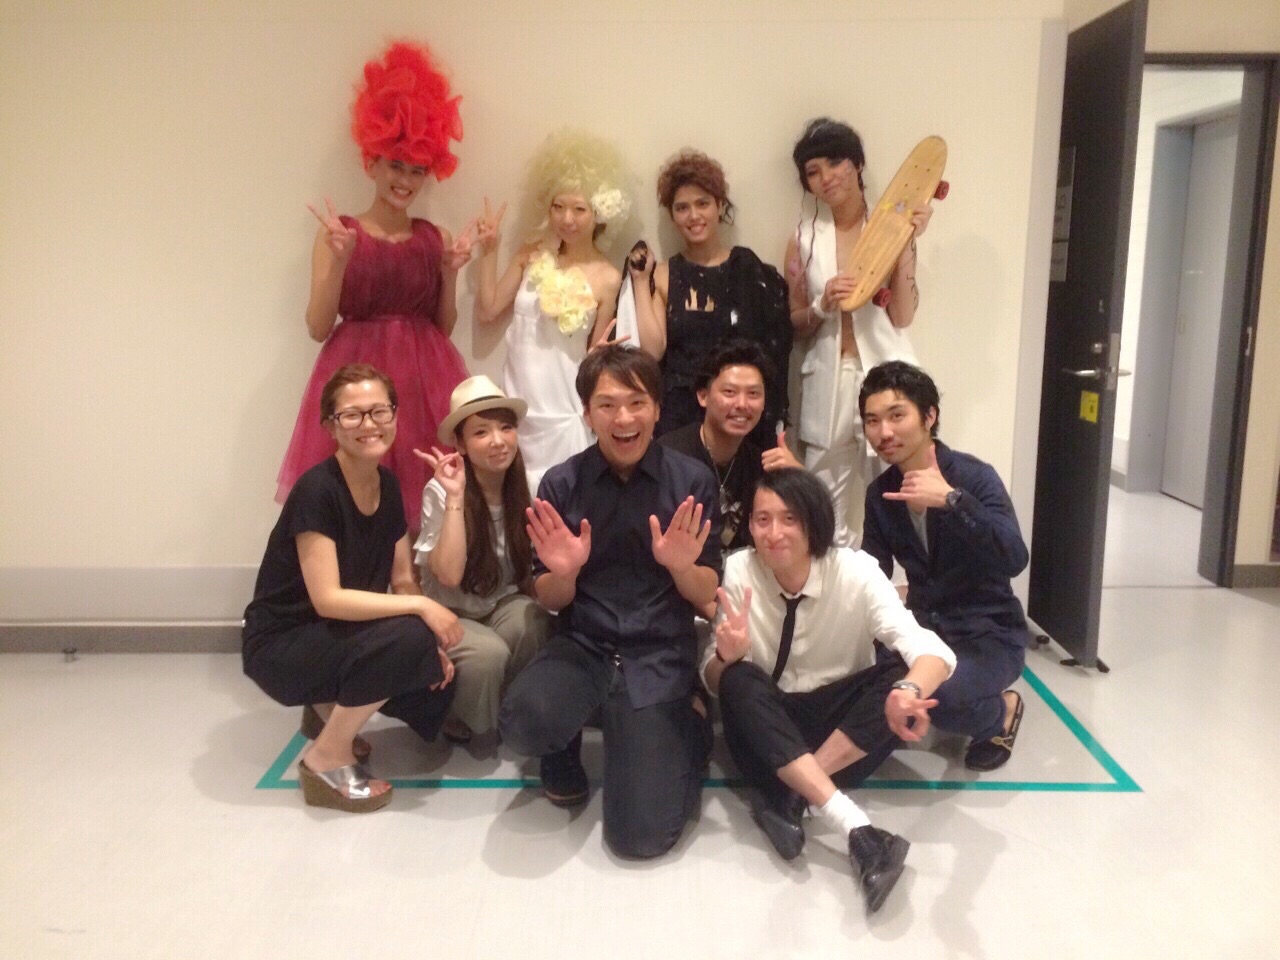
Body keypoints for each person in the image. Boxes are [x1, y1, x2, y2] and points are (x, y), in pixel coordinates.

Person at [498, 345, 721, 859]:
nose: (623, 419)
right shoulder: (561, 483)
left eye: (637, 403)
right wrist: (565, 572)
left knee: (639, 838)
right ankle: (569, 742)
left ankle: (684, 724)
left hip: (658, 653)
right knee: (525, 722)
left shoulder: (691, 481)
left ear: (658, 409)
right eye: (607, 405)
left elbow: (707, 593)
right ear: (587, 414)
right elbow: (550, 599)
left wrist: (680, 566)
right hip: (585, 647)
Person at [702, 468, 955, 912]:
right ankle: (855, 826)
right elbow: (710, 676)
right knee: (737, 678)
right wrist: (727, 656)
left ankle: (792, 795)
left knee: (897, 673)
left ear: (815, 522)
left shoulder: (855, 571)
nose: (774, 533)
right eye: (762, 520)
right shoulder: (740, 569)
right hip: (769, 736)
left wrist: (909, 689)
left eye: (790, 519)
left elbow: (931, 650)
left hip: (842, 741)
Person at [243, 364, 461, 813]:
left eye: (380, 410)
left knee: (431, 674)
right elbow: (328, 599)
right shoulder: (316, 490)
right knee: (411, 638)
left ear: (395, 415)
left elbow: (403, 580)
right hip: (281, 643)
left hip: (331, 634)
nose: (369, 424)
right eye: (352, 415)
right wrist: (422, 613)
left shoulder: (388, 485)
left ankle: (324, 709)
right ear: (331, 426)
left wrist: (426, 640)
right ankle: (326, 758)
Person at [276, 41, 474, 535]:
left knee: (423, 498)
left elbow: (444, 326)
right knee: (349, 498)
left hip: (424, 381)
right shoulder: (339, 233)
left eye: (416, 170)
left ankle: (413, 578)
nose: (404, 180)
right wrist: (341, 262)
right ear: (371, 163)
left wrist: (450, 272)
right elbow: (317, 326)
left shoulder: (435, 237)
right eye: (395, 165)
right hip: (355, 371)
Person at [859, 361, 1029, 772]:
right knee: (865, 686)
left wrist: (953, 501)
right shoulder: (881, 492)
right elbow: (872, 574)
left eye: (896, 415)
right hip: (923, 629)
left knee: (945, 701)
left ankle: (1002, 711)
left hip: (987, 632)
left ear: (929, 416)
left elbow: (1014, 557)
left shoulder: (973, 477)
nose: (884, 432)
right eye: (872, 421)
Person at [784, 118, 933, 547]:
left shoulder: (889, 228)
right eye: (813, 171)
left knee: (898, 487)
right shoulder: (804, 239)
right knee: (821, 500)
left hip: (886, 373)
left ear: (857, 164)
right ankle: (835, 580)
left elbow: (902, 316)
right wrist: (822, 304)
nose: (827, 177)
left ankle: (902, 580)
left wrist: (907, 241)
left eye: (835, 162)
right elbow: (793, 322)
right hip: (827, 377)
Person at [473, 130, 632, 491]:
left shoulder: (608, 278)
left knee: (566, 499)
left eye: (579, 209)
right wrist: (490, 251)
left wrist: (603, 356)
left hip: (566, 407)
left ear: (599, 213)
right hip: (518, 403)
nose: (567, 219)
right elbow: (488, 310)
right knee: (515, 499)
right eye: (558, 207)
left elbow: (594, 359)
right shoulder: (531, 254)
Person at [412, 376, 551, 743]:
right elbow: (448, 575)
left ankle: (512, 708)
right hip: (450, 610)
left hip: (501, 602)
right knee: (488, 654)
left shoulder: (528, 486)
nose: (498, 440)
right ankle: (460, 716)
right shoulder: (441, 490)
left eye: (506, 427)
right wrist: (455, 497)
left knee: (535, 623)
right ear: (460, 444)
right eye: (481, 432)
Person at [629, 150, 792, 447]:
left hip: (742, 416)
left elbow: (774, 353)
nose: (693, 216)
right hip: (681, 417)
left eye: (702, 203)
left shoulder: (752, 271)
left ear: (720, 206)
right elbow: (652, 350)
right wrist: (641, 282)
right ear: (672, 216)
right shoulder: (664, 274)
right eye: (682, 208)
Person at [659, 339, 801, 551]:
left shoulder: (761, 463)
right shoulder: (669, 457)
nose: (742, 404)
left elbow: (808, 534)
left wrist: (798, 479)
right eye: (729, 392)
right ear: (703, 396)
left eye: (753, 394)